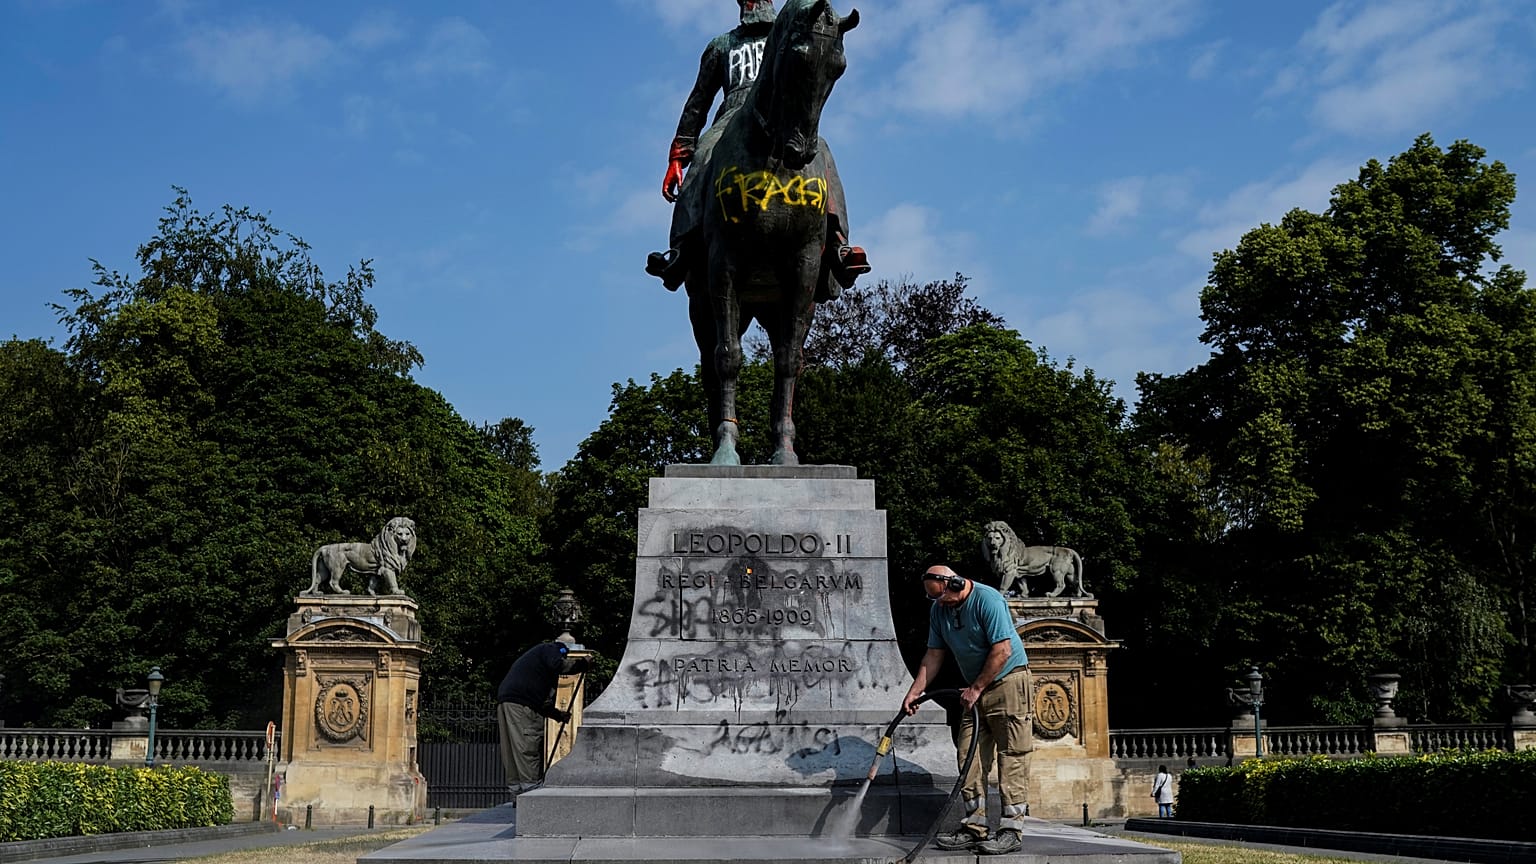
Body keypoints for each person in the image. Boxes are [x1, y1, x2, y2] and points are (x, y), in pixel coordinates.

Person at [644, 0, 869, 292]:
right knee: (704, 152)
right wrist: (679, 154)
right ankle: (681, 248)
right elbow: (698, 102)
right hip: (730, 120)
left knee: (822, 150)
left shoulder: (790, 33)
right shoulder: (723, 45)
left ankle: (839, 245)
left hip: (782, 119)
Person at [903, 565, 1033, 856]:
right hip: (975, 690)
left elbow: (1003, 650)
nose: (940, 603)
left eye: (942, 597)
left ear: (956, 583)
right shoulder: (939, 611)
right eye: (933, 598)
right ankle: (974, 825)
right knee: (968, 755)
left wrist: (976, 688)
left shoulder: (988, 600)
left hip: (1008, 683)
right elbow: (934, 654)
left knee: (1012, 755)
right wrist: (915, 692)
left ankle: (1011, 829)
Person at [496, 641, 588, 795]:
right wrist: (582, 664)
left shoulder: (537, 669)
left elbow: (544, 703)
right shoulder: (551, 649)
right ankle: (530, 789)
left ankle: (517, 791)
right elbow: (557, 664)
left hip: (508, 701)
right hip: (522, 705)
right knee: (527, 744)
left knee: (512, 749)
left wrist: (557, 715)